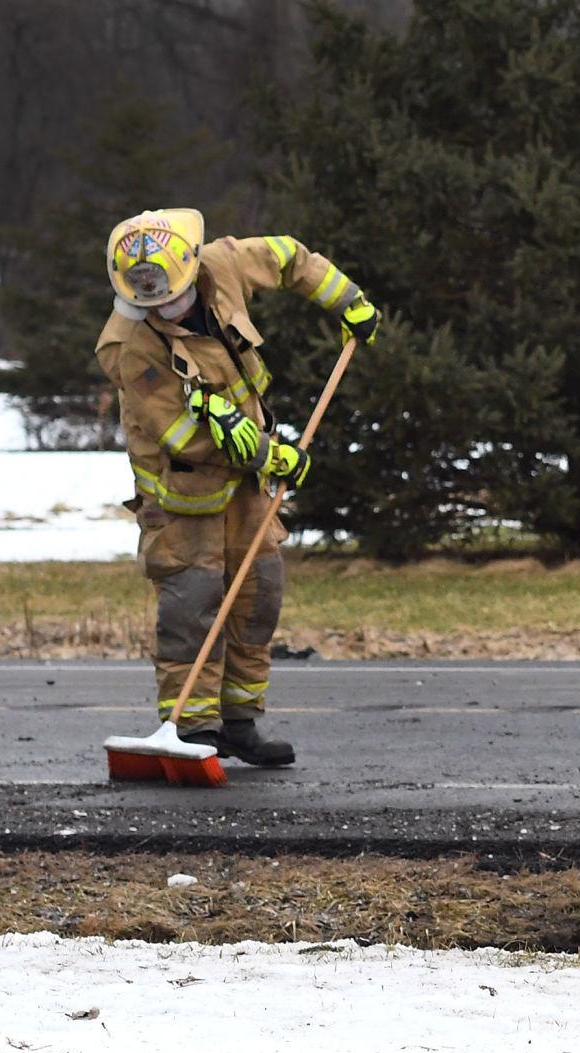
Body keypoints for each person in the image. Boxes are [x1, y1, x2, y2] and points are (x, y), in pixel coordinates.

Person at [94, 208, 380, 766]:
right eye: (149, 301)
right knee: (193, 605)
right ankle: (193, 731)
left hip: (247, 484)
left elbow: (290, 257)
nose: (163, 309)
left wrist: (348, 301)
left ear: (190, 268)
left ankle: (240, 725)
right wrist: (273, 454)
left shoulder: (222, 263)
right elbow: (183, 436)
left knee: (257, 595)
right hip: (181, 498)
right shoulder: (130, 347)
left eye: (171, 296)